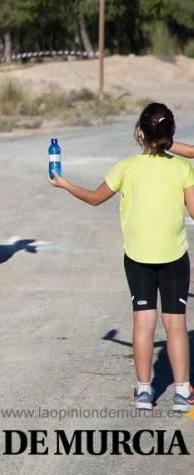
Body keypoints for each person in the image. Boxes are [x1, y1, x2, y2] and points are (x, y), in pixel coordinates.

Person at [49, 102, 193, 412]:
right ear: (171, 134)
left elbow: (94, 199)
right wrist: (164, 141)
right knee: (176, 324)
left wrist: (64, 183)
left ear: (140, 133)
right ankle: (183, 391)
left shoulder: (125, 167)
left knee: (144, 322)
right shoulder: (183, 168)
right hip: (175, 258)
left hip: (138, 258)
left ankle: (144, 391)